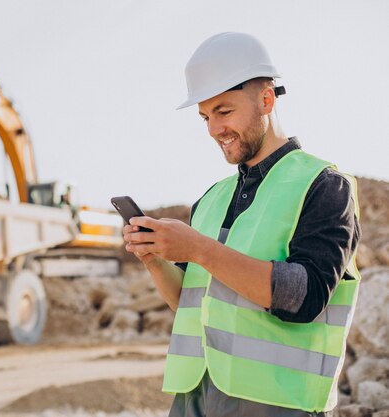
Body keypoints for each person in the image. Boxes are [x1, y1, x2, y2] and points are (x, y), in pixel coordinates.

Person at [123, 32, 360, 417]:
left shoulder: (323, 185)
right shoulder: (212, 198)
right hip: (195, 396)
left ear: (266, 99)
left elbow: (306, 297)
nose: (214, 129)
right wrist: (154, 258)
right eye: (206, 117)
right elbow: (190, 303)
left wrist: (199, 248)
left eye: (224, 111)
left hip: (278, 403)